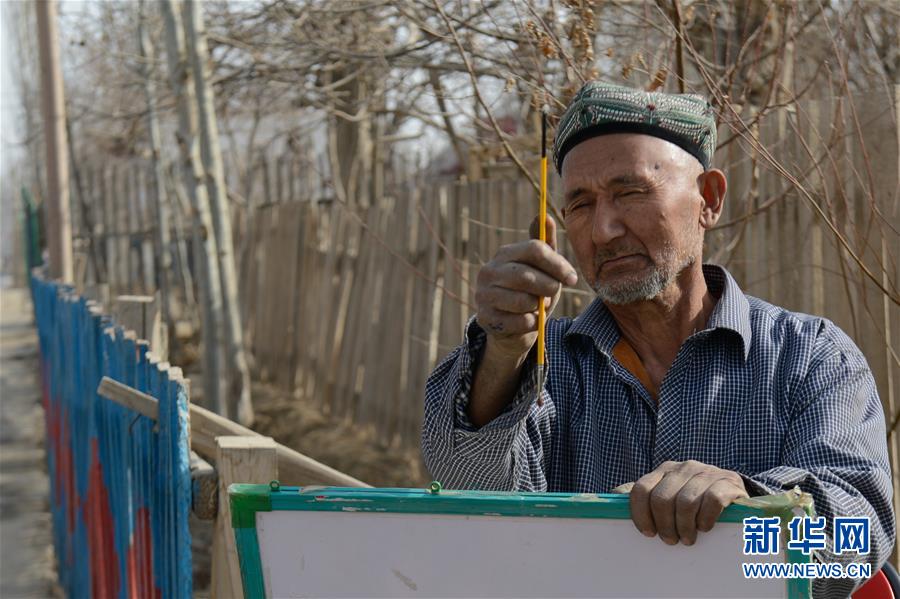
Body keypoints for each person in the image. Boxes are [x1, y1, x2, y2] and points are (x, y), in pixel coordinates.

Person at [421, 82, 894, 597]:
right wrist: (504, 354)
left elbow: (857, 543)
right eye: (580, 204)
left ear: (708, 200)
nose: (603, 229)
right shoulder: (542, 366)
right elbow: (477, 509)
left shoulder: (811, 357)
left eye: (631, 191)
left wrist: (746, 512)